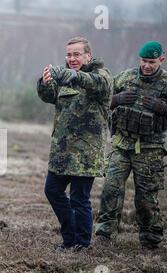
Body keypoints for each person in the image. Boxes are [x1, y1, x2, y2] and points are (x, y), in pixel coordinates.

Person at [95, 41, 167, 249]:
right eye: (144, 61)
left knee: (145, 198)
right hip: (122, 144)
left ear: (161, 60)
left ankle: (150, 239)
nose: (147, 66)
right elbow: (101, 101)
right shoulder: (126, 77)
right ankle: (105, 234)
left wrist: (164, 108)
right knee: (110, 189)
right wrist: (117, 99)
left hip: (150, 148)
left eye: (151, 62)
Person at [37, 37, 113, 252]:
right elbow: (49, 96)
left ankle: (82, 243)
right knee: (52, 191)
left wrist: (70, 75)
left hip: (86, 153)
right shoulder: (65, 77)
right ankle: (70, 238)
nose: (72, 59)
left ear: (88, 55)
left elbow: (98, 84)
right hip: (62, 151)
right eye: (69, 55)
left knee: (80, 199)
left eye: (77, 54)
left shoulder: (101, 75)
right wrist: (46, 82)